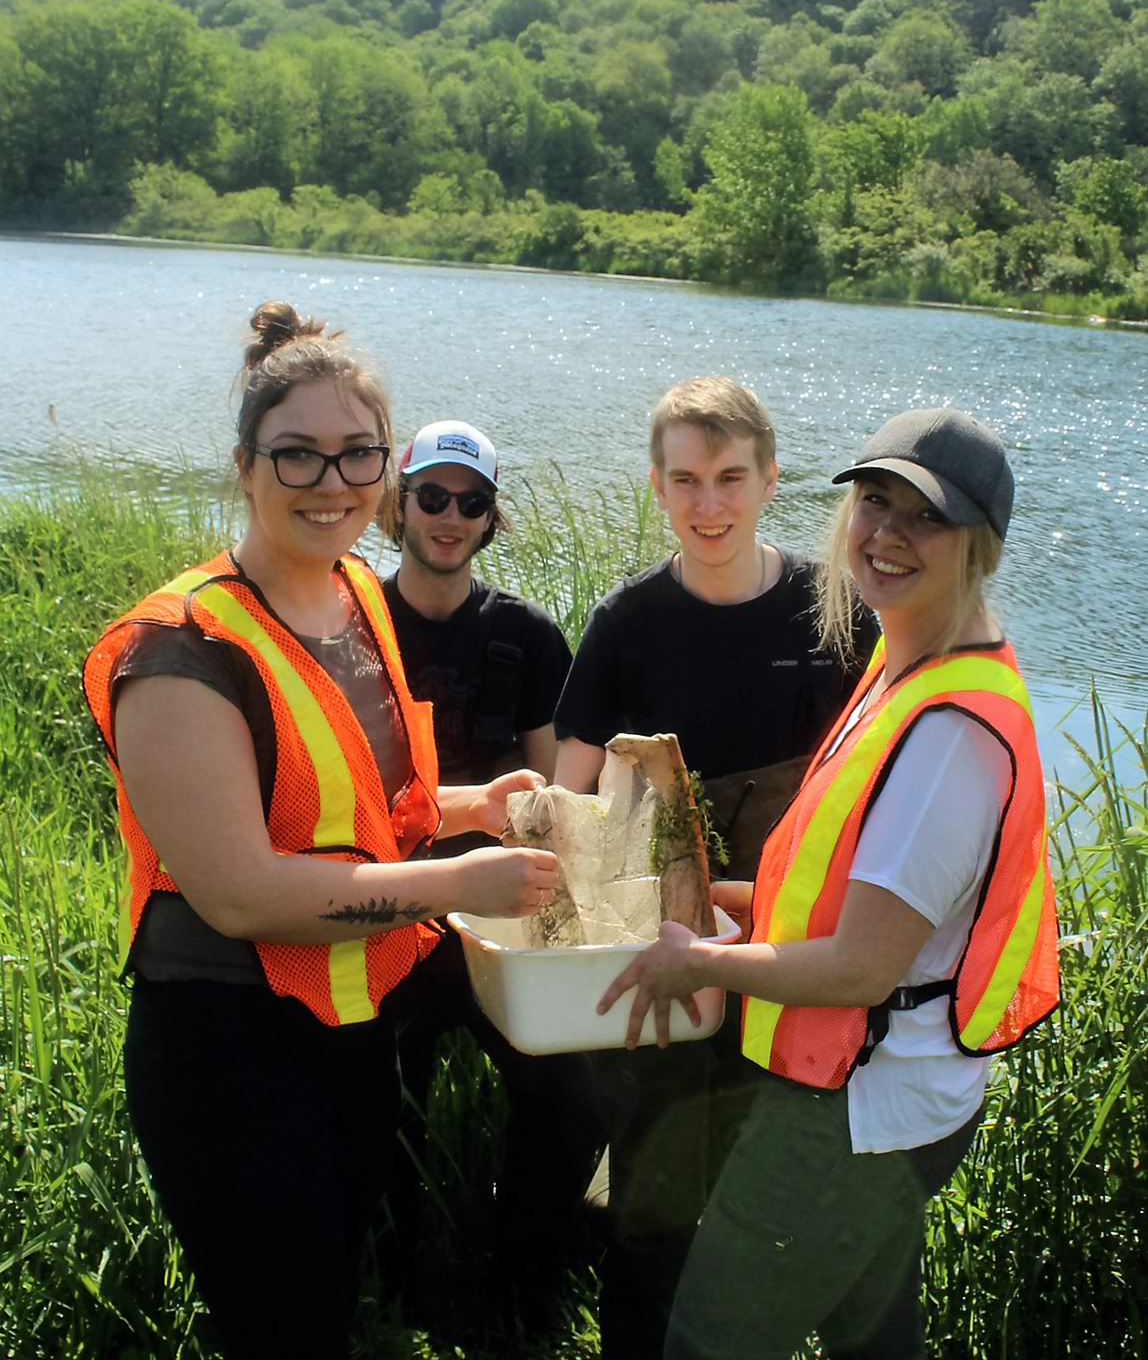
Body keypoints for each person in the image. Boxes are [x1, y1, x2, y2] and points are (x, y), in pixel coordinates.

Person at [81, 302, 560, 1360]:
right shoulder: (180, 650)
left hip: (351, 1025)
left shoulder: (352, 596)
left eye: (356, 456)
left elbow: (358, 810)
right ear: (245, 463)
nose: (332, 483)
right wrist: (456, 886)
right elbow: (241, 891)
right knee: (281, 1328)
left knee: (329, 1304)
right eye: (297, 456)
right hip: (228, 1047)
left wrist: (474, 809)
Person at [599, 406, 1061, 1360]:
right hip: (886, 1096)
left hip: (857, 1107)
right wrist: (723, 908)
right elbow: (845, 890)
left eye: (924, 517)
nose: (886, 536)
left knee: (708, 1341)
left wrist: (703, 967)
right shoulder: (905, 669)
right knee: (872, 1337)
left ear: (982, 546)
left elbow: (860, 967)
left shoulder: (948, 734)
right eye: (873, 501)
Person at [553, 375, 876, 1358]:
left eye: (730, 476)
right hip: (663, 960)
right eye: (685, 479)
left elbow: (880, 796)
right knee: (648, 1204)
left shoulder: (838, 617)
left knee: (778, 1206)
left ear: (771, 479)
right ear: (654, 487)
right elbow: (571, 810)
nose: (708, 504)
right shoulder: (625, 625)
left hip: (798, 963)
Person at [376, 420, 599, 1339]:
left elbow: (553, 795)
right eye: (432, 496)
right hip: (385, 908)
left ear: (490, 516)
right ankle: (396, 1279)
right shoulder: (352, 623)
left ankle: (524, 1276)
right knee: (383, 1095)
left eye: (471, 502)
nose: (450, 517)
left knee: (562, 1089)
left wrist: (565, 914)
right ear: (399, 502)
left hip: (499, 915)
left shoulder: (528, 637)